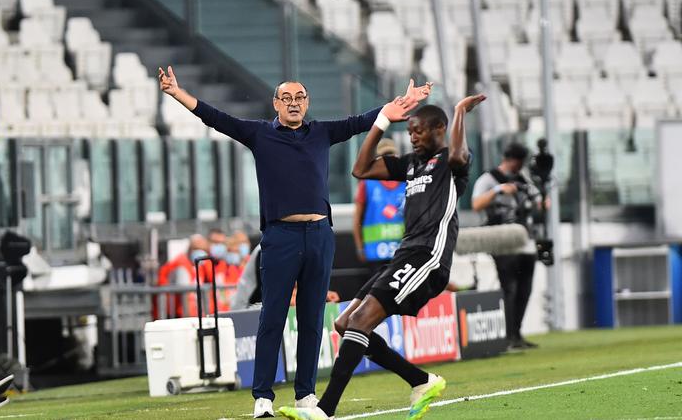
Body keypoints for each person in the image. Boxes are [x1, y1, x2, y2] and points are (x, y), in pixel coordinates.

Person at [158, 65, 431, 418]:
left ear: (307, 102)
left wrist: (397, 106)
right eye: (286, 98)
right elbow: (215, 118)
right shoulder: (259, 134)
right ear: (275, 103)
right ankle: (262, 398)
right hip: (280, 237)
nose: (293, 103)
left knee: (311, 317)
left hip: (320, 235)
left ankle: (306, 395)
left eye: (299, 97)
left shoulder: (320, 133)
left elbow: (360, 121)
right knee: (272, 317)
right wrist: (178, 93)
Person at [278, 94, 486, 420]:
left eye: (420, 131)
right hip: (403, 255)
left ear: (440, 129)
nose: (413, 137)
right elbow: (359, 169)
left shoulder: (450, 161)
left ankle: (324, 410)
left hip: (428, 258)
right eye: (411, 131)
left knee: (360, 322)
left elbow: (460, 154)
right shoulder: (412, 164)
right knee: (345, 322)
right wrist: (382, 121)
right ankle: (421, 380)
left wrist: (460, 111)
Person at [471, 142, 543, 350]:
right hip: (501, 239)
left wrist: (541, 197)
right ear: (510, 160)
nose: (518, 168)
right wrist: (498, 190)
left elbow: (539, 202)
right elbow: (476, 205)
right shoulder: (489, 179)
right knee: (509, 286)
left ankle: (516, 334)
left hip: (524, 238)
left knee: (525, 287)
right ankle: (508, 336)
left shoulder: (523, 178)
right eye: (517, 163)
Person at [352, 138, 406, 272]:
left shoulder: (407, 182)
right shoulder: (367, 184)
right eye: (384, 156)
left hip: (402, 252)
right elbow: (357, 218)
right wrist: (360, 248)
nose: (389, 160)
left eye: (391, 155)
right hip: (375, 254)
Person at [155, 234, 210, 318]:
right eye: (196, 248)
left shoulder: (197, 265)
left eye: (203, 249)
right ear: (189, 249)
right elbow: (184, 296)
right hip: (177, 315)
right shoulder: (181, 265)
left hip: (190, 313)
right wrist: (188, 318)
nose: (200, 252)